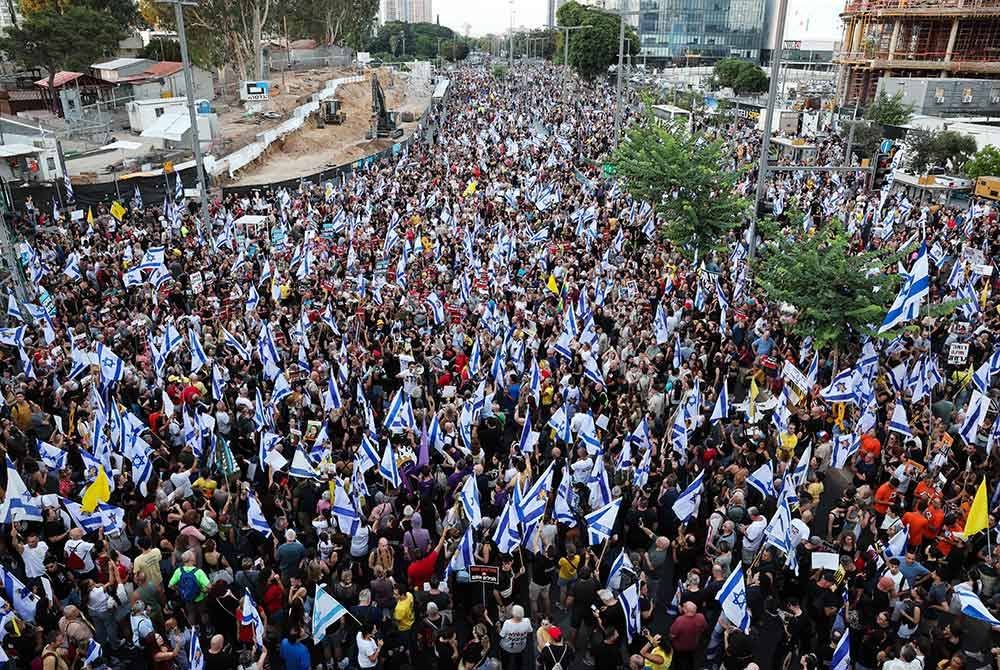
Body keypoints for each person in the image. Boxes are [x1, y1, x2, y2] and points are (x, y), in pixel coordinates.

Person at [669, 601, 707, 670]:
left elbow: (672, 635)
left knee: (678, 662)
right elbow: (704, 628)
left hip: (679, 648)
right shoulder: (701, 617)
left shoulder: (680, 621)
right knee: (690, 659)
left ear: (685, 610)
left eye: (684, 606)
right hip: (693, 645)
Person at [498, 604, 533, 670]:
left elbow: (501, 635)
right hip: (520, 646)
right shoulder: (527, 621)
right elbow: (530, 631)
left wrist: (498, 628)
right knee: (519, 660)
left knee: (506, 661)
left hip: (507, 647)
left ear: (513, 613)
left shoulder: (507, 623)